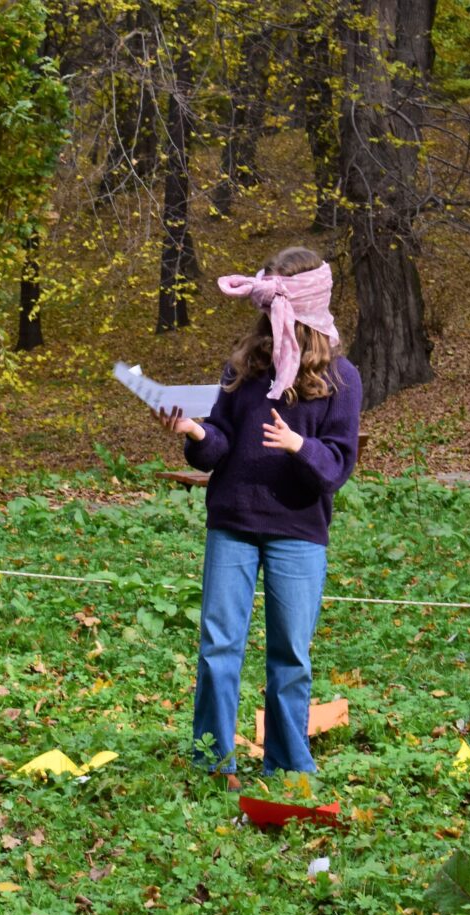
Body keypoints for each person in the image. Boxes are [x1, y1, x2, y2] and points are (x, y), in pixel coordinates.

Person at [153, 246, 362, 789]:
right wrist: (196, 433)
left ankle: (289, 767)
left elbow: (337, 464)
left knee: (290, 653)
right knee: (218, 646)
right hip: (234, 522)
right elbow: (220, 441)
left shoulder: (341, 379)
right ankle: (211, 763)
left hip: (298, 530)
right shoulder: (245, 365)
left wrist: (299, 445)